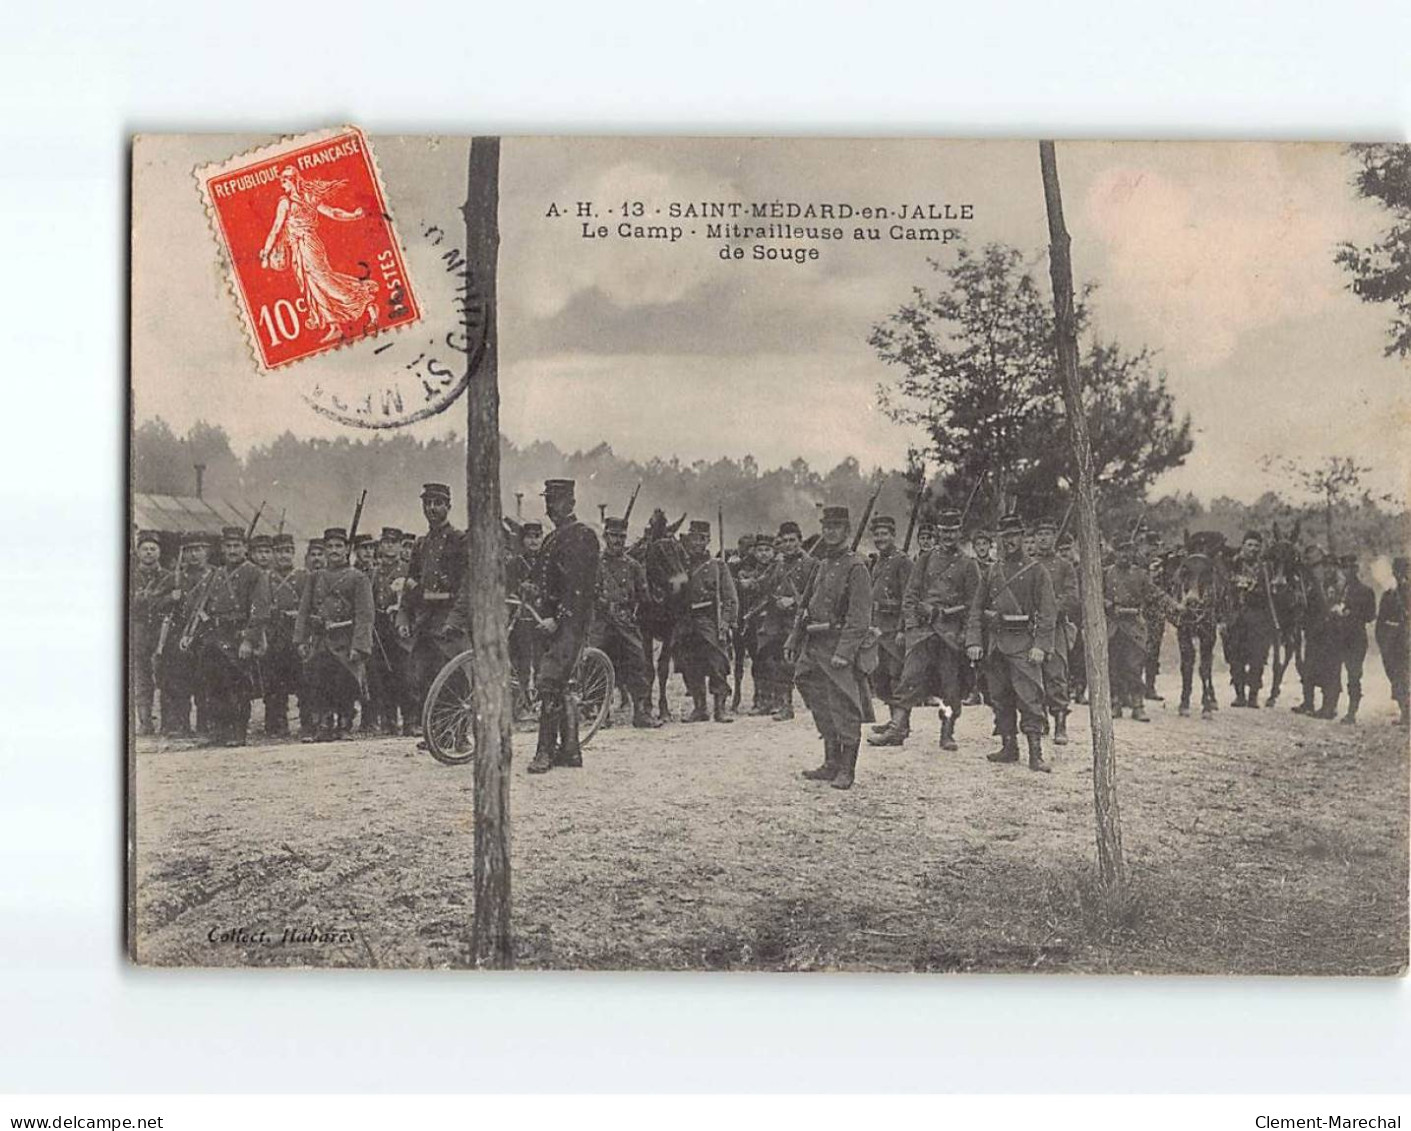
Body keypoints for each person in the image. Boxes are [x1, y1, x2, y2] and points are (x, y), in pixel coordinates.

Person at [874, 507, 977, 750]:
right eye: (944, 532)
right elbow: (910, 595)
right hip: (922, 633)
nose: (948, 537)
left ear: (959, 533)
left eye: (953, 532)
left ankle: (947, 732)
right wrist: (910, 626)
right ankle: (897, 728)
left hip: (950, 635)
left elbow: (974, 606)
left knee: (950, 688)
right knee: (908, 679)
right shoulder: (925, 559)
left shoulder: (968, 565)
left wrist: (966, 636)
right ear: (939, 533)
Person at [790, 505, 874, 790]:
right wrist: (794, 639)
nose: (830, 531)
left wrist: (844, 653)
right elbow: (804, 606)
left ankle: (846, 769)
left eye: (836, 527)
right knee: (817, 700)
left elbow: (859, 618)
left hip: (838, 648)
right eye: (826, 526)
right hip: (814, 646)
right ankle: (830, 761)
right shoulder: (821, 564)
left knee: (844, 706)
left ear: (847, 531)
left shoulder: (857, 566)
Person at [968, 514, 1057, 772]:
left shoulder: (1037, 570)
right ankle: (1009, 747)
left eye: (1015, 536)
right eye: (1005, 536)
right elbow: (976, 609)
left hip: (1023, 645)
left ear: (1022, 537)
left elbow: (1048, 612)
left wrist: (1041, 645)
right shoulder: (992, 571)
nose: (1010, 541)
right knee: (1000, 697)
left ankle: (1035, 753)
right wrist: (974, 641)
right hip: (996, 644)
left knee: (1030, 698)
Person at [528, 479, 601, 773]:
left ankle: (544, 752)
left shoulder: (582, 536)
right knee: (559, 683)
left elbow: (580, 587)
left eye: (557, 500)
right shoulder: (552, 538)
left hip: (570, 623)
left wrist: (558, 619)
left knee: (549, 682)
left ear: (571, 502)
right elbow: (540, 578)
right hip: (547, 621)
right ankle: (570, 751)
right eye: (548, 500)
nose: (550, 506)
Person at [258, 165, 378, 343]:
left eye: (284, 181)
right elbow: (278, 228)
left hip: (309, 245)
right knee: (312, 285)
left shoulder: (292, 201)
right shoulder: (299, 199)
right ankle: (334, 326)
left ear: (292, 181)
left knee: (323, 280)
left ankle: (365, 300)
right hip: (298, 248)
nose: (282, 185)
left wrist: (266, 252)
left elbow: (331, 212)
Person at [181, 525, 270, 747]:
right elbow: (200, 604)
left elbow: (260, 610)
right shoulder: (216, 574)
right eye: (228, 546)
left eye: (237, 546)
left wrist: (249, 640)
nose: (232, 550)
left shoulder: (255, 573)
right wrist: (191, 633)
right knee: (214, 685)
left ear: (245, 548)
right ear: (222, 548)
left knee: (237, 687)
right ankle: (219, 731)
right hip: (214, 636)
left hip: (238, 636)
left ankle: (238, 732)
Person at [396, 483, 470, 737]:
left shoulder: (459, 540)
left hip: (450, 621)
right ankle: (437, 733)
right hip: (425, 621)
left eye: (438, 503)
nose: (432, 508)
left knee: (453, 679)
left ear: (448, 506)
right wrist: (403, 617)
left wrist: (456, 619)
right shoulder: (421, 544)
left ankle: (458, 736)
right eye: (427, 503)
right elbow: (409, 584)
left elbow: (466, 586)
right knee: (424, 677)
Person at [295, 527, 374, 742]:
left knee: (344, 682)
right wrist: (301, 639)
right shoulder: (315, 577)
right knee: (319, 680)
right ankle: (324, 723)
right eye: (329, 546)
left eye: (339, 546)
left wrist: (360, 645)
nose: (334, 551)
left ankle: (345, 723)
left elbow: (365, 615)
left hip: (345, 640)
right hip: (321, 639)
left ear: (348, 549)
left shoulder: (358, 578)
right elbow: (304, 611)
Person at [588, 516, 661, 728]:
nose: (618, 541)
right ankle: (601, 714)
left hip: (626, 622)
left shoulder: (634, 566)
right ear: (605, 536)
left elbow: (644, 596)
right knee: (597, 664)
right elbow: (589, 593)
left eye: (621, 536)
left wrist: (639, 605)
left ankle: (641, 712)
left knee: (638, 662)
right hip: (601, 623)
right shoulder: (595, 564)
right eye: (613, 536)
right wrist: (604, 604)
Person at [673, 519, 739, 723]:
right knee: (689, 664)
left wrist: (726, 622)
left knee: (718, 664)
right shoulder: (680, 566)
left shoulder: (718, 566)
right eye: (693, 538)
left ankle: (720, 708)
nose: (696, 543)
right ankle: (700, 708)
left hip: (709, 620)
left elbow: (730, 598)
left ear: (708, 541)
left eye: (701, 539)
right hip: (686, 621)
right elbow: (673, 593)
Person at [756, 521, 817, 722]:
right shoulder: (778, 565)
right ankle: (785, 705)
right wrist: (777, 600)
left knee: (804, 665)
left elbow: (817, 593)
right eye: (784, 541)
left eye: (793, 540)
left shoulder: (811, 565)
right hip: (778, 621)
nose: (789, 545)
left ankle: (815, 703)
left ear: (800, 541)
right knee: (781, 663)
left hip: (799, 621)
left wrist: (794, 601)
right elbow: (766, 588)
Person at [159, 533, 212, 736]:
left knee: (205, 682)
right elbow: (154, 605)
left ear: (207, 551)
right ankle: (180, 725)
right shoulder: (175, 578)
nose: (194, 555)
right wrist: (170, 598)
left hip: (205, 635)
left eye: (199, 549)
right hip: (178, 636)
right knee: (179, 683)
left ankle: (205, 726)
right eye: (189, 550)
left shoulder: (215, 575)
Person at [1034, 517, 1079, 744]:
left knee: (1057, 673)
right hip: (1032, 628)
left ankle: (1061, 723)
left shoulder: (1065, 566)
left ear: (1054, 538)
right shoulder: (1028, 564)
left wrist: (1050, 611)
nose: (1043, 538)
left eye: (1048, 534)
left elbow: (1071, 597)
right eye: (1040, 534)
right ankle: (1040, 719)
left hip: (1055, 628)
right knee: (1034, 674)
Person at [1103, 535, 1158, 722]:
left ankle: (1138, 705)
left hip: (1134, 627)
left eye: (1128, 551)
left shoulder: (1141, 575)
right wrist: (1110, 605)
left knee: (1134, 666)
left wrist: (1142, 609)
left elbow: (1153, 596)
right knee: (1114, 667)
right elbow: (1095, 595)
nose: (1124, 555)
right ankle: (1115, 703)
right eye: (1121, 551)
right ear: (1115, 553)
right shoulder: (1106, 574)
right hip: (1113, 627)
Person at [1223, 530, 1277, 707]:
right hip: (1236, 617)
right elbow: (1225, 588)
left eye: (1256, 546)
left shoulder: (1266, 569)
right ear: (1243, 546)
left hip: (1259, 618)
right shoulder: (1233, 564)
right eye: (1250, 545)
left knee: (1258, 658)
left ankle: (1253, 695)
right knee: (1235, 656)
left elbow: (1271, 595)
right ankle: (1239, 694)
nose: (1253, 549)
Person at [129, 530, 172, 736]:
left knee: (164, 675)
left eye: (153, 549)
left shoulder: (168, 577)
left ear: (159, 552)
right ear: (137, 552)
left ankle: (168, 722)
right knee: (141, 678)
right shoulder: (130, 576)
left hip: (161, 631)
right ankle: (145, 722)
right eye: (144, 549)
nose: (148, 552)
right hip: (138, 631)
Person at [263, 533, 304, 738]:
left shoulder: (303, 577)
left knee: (303, 680)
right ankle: (275, 724)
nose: (283, 556)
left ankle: (307, 721)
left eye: (287, 551)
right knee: (273, 682)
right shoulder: (265, 578)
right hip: (273, 635)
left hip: (297, 634)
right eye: (279, 551)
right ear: (273, 554)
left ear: (293, 553)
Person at [367, 527, 408, 735]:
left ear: (401, 546)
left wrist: (399, 609)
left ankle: (410, 720)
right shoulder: (374, 572)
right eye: (386, 542)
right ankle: (388, 720)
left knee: (404, 674)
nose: (389, 546)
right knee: (382, 675)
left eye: (394, 542)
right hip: (380, 628)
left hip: (401, 627)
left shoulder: (407, 570)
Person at [1293, 544, 1338, 718]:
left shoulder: (1332, 578)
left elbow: (1331, 601)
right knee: (1309, 664)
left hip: (1329, 629)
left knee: (1329, 667)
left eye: (1315, 560)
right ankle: (1308, 702)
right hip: (1313, 628)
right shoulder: (1309, 578)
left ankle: (1328, 706)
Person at [1333, 554, 1377, 725]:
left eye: (1350, 567)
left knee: (1353, 674)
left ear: (1356, 569)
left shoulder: (1365, 591)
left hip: (1356, 637)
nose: (1347, 571)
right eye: (1344, 568)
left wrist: (1350, 614)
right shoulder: (1339, 589)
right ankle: (1330, 706)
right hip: (1338, 636)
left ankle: (1352, 711)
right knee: (1333, 673)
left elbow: (1370, 616)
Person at [507, 521, 544, 715]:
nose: (534, 541)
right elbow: (507, 587)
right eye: (529, 536)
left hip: (540, 618)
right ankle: (520, 704)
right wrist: (516, 593)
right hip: (520, 620)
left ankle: (539, 702)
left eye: (537, 536)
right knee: (520, 662)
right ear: (522, 540)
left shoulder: (547, 562)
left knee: (540, 661)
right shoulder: (515, 563)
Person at [1375, 557, 1410, 727]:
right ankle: (1406, 711)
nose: (1403, 575)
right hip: (1394, 644)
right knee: (1396, 676)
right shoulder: (1389, 595)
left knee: (1404, 676)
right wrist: (1383, 643)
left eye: (1406, 571)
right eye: (1399, 571)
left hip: (1406, 643)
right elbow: (1381, 621)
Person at [1141, 531, 1169, 700]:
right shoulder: (1140, 562)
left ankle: (1150, 686)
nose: (1155, 547)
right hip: (1141, 610)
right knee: (1137, 650)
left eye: (1157, 544)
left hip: (1156, 611)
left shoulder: (1163, 563)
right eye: (1152, 544)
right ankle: (1135, 688)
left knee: (1153, 650)